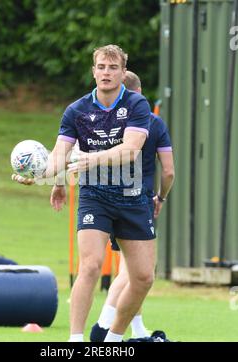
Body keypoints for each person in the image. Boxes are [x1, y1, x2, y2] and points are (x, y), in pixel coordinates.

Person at [13, 44, 154, 342]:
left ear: (121, 72)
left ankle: (113, 338)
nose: (106, 73)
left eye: (112, 68)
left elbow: (131, 150)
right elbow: (60, 156)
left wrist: (94, 158)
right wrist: (38, 174)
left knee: (142, 278)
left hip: (132, 196)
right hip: (95, 196)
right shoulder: (76, 111)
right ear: (93, 71)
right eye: (101, 67)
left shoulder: (137, 105)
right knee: (89, 265)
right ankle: (75, 340)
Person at [90, 71, 175, 342]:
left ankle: (125, 328)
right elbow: (169, 171)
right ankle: (106, 330)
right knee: (139, 273)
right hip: (138, 203)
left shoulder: (103, 122)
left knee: (128, 272)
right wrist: (160, 198)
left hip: (103, 201)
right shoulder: (152, 122)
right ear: (138, 92)